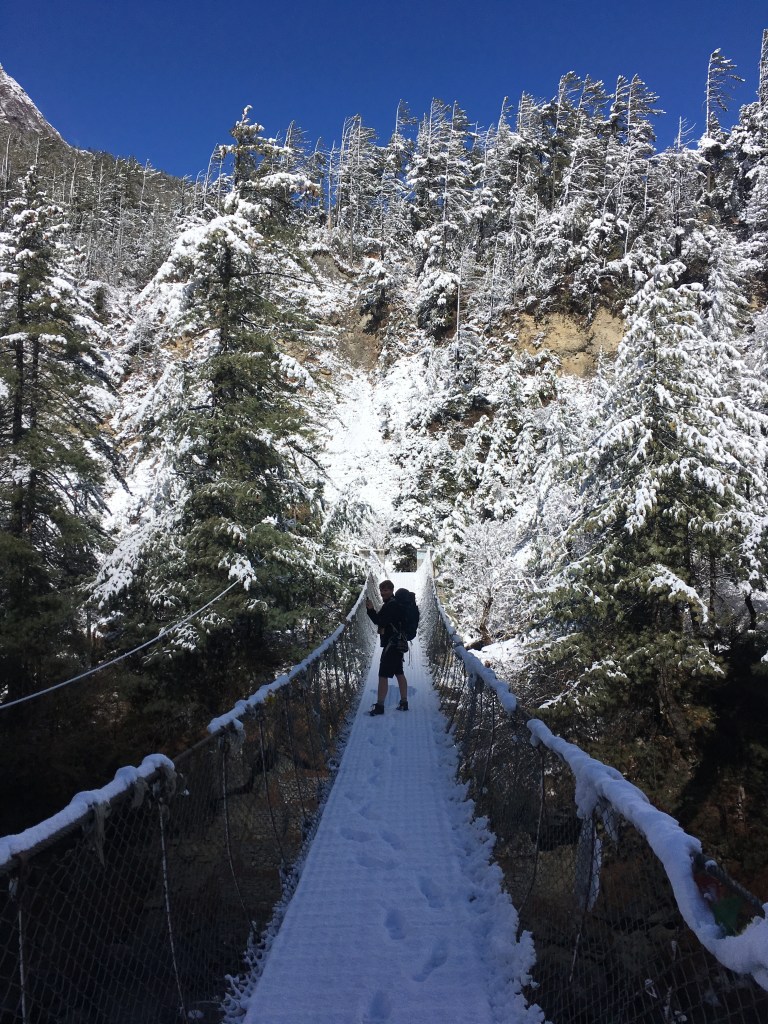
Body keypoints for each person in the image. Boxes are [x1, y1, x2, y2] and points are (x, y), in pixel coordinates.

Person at [365, 580, 409, 715]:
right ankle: (404, 702)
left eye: (385, 590)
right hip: (398, 643)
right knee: (399, 672)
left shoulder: (391, 605)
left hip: (392, 644)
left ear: (391, 590)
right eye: (381, 590)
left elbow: (380, 621)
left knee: (383, 674)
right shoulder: (392, 604)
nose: (383, 593)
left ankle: (380, 706)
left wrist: (370, 610)